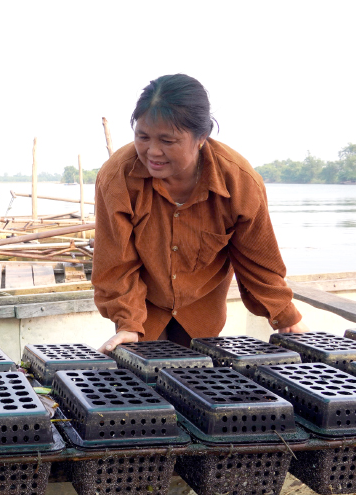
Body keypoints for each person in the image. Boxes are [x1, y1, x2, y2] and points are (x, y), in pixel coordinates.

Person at [92, 74, 308, 353]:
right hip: (141, 311)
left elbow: (258, 259)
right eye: (142, 137)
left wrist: (285, 317)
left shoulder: (240, 182)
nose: (152, 151)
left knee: (196, 380)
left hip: (202, 309)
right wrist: (127, 322)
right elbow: (115, 263)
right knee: (142, 382)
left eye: (168, 141)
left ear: (201, 138)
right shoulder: (117, 177)